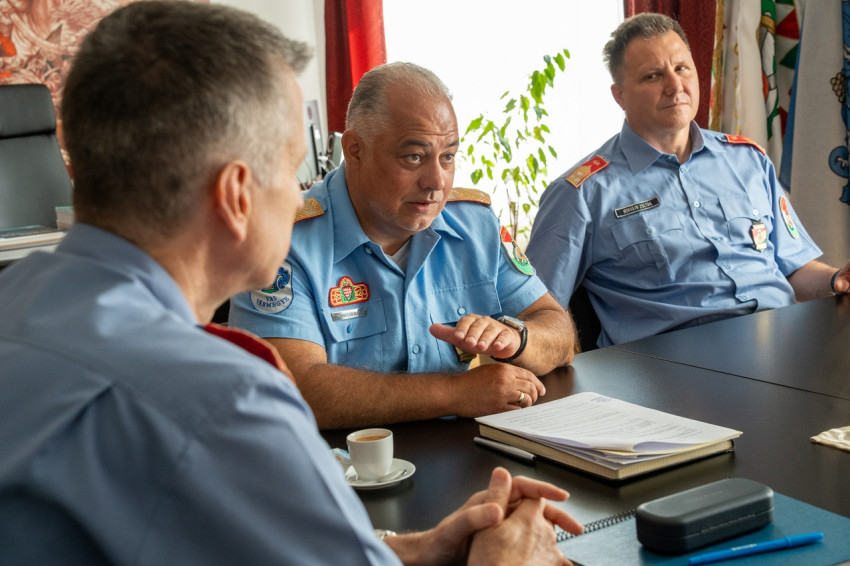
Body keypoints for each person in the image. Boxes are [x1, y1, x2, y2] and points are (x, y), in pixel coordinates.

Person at [0, 2, 583, 565]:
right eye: (289, 166)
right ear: (236, 195)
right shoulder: (228, 400)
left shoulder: (14, 302)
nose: (302, 194)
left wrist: (416, 550)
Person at [229, 62, 577, 430]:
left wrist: (518, 339)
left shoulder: (475, 224)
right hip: (339, 461)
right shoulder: (281, 239)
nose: (436, 181)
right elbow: (292, 387)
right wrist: (453, 393)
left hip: (463, 452)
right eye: (414, 157)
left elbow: (559, 332)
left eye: (448, 156)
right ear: (355, 150)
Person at [526, 12, 850, 348]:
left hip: (786, 343)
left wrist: (835, 279)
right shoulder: (582, 194)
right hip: (678, 363)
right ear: (619, 95)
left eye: (682, 68)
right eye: (652, 76)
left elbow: (793, 268)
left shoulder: (749, 160)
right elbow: (535, 312)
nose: (675, 86)